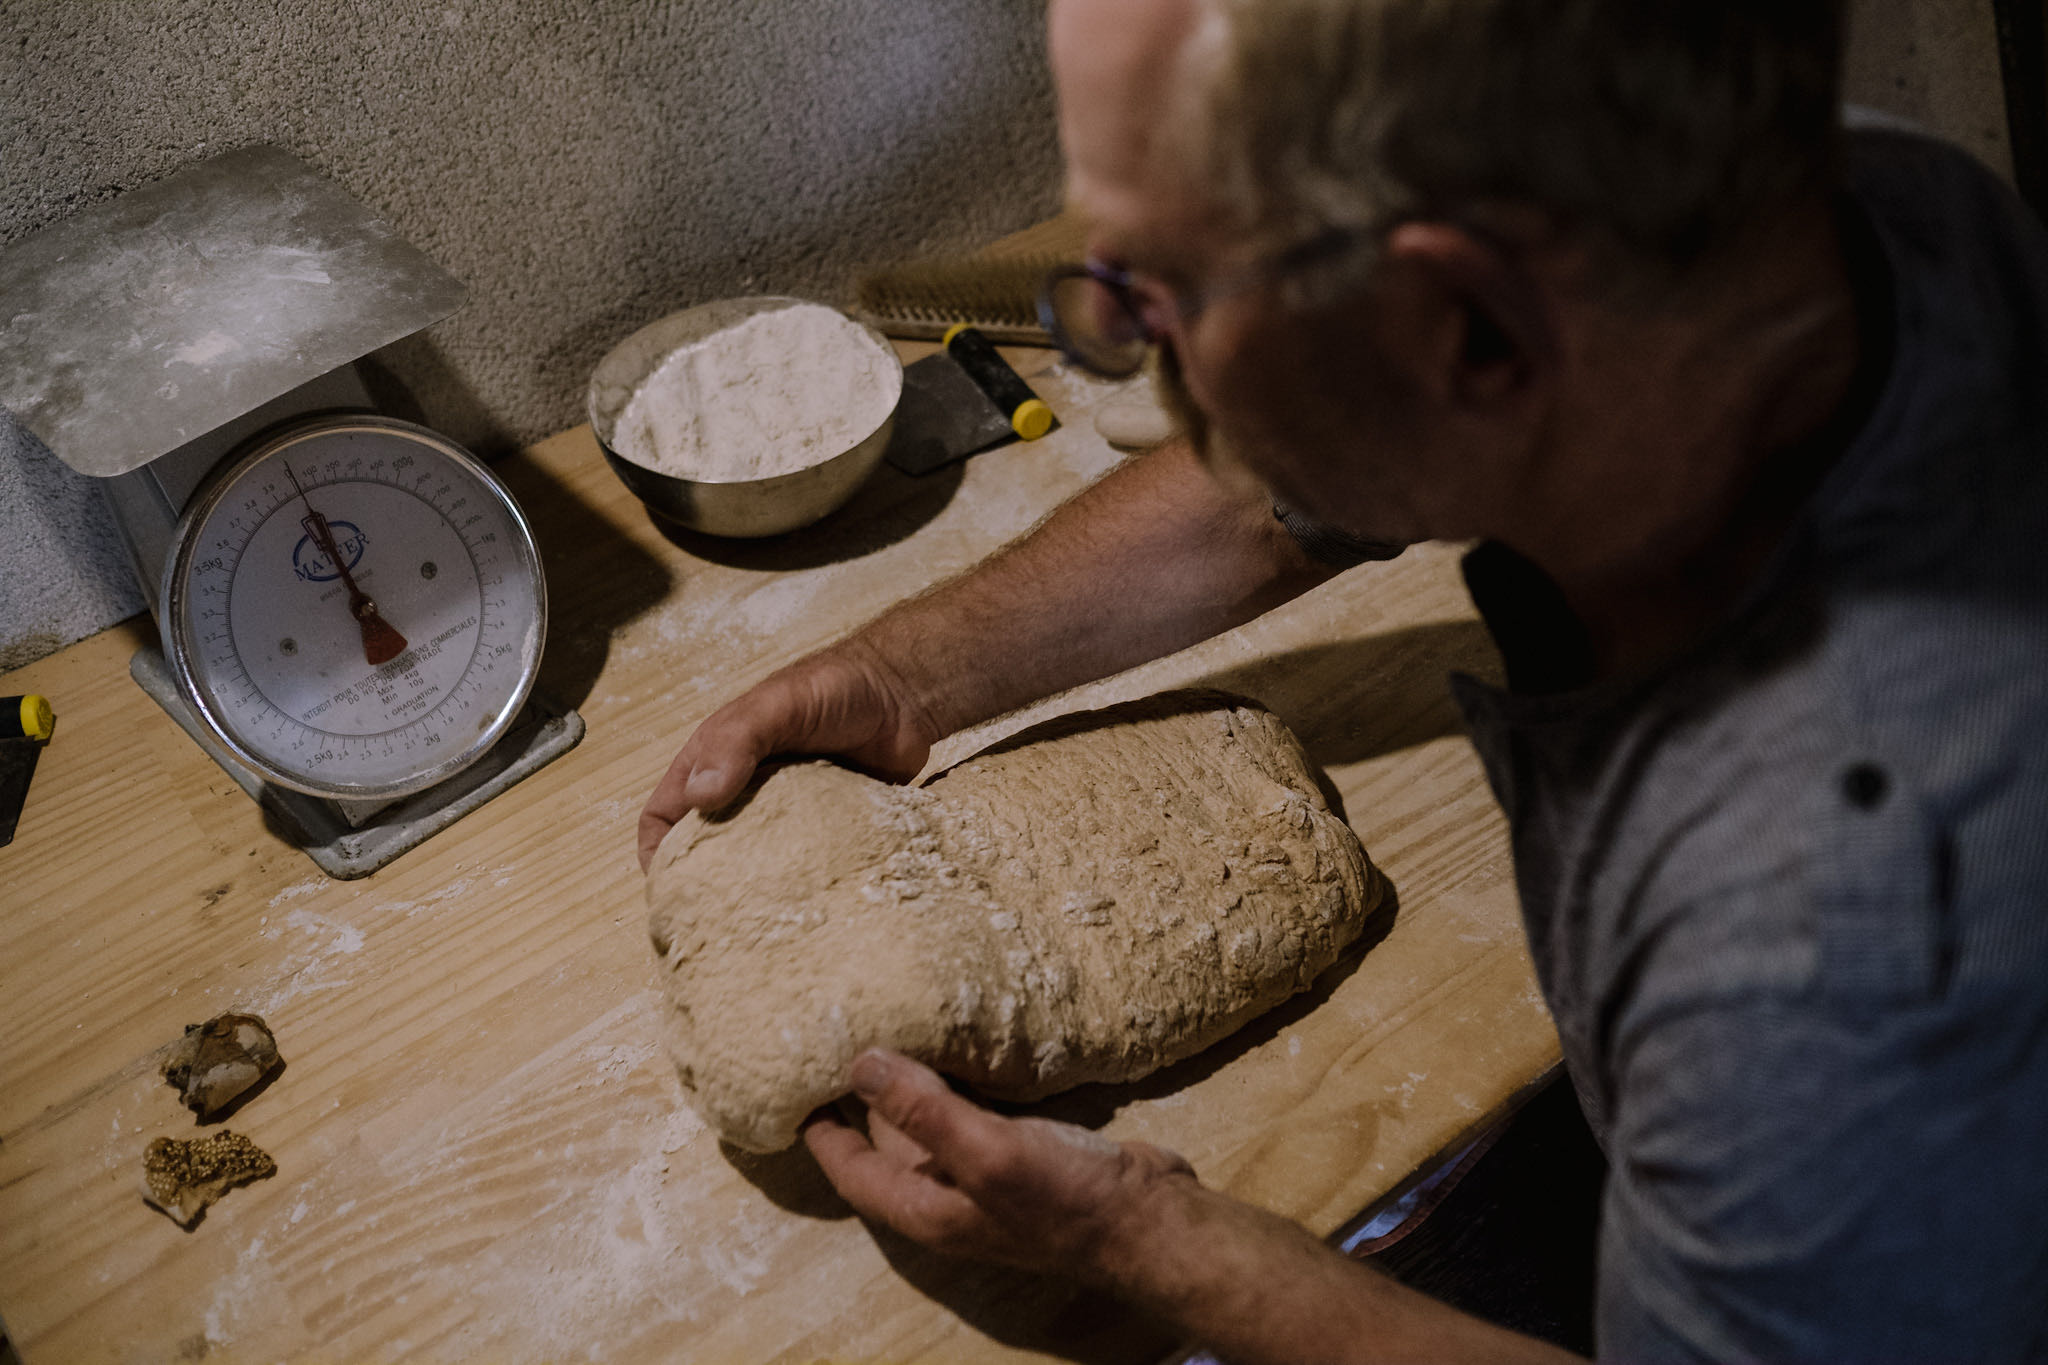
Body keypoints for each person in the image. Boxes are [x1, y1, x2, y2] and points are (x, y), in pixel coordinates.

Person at [639, 0, 2048, 1358]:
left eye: (1166, 304)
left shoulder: (1827, 960)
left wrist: (1146, 1239)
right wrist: (905, 672)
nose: (1136, 351)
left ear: (1472, 336)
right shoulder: (1801, 206)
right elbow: (1297, 485)